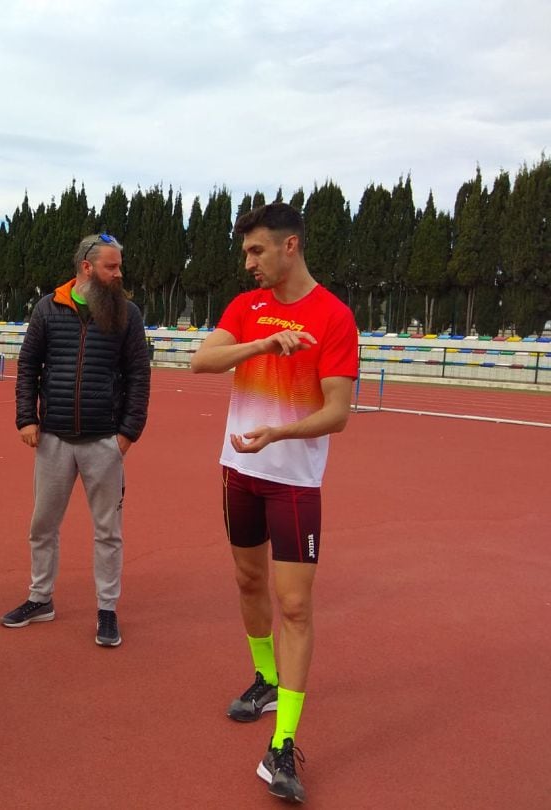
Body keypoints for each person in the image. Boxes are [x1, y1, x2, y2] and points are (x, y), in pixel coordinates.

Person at [190, 202, 358, 804]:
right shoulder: (245, 307)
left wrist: (280, 434)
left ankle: (284, 744)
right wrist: (262, 345)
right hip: (239, 471)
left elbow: (338, 412)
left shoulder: (334, 317)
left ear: (290, 247)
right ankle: (265, 678)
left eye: (256, 251)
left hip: (293, 481)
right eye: (245, 252)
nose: (248, 262)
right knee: (246, 580)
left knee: (294, 606)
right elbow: (201, 359)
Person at [2, 233, 151, 647]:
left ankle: (107, 609)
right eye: (111, 266)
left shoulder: (127, 314)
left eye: (119, 266)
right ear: (87, 267)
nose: (118, 273)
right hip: (53, 439)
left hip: (104, 441)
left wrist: (127, 433)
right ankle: (40, 598)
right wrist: (25, 420)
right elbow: (28, 364)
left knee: (108, 531)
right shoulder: (48, 308)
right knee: (42, 524)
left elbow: (139, 375)